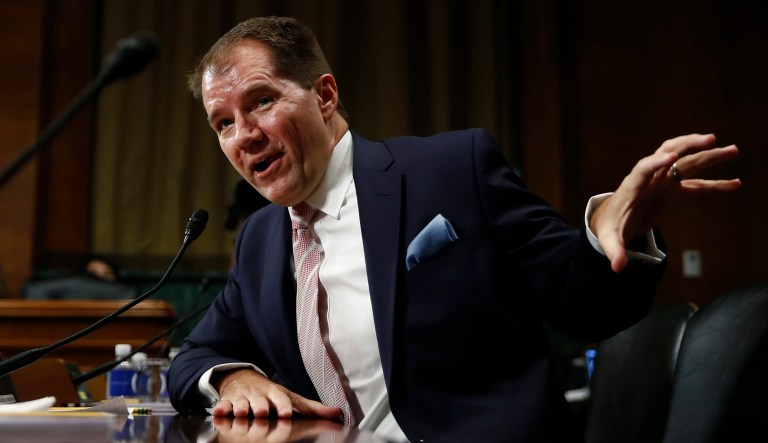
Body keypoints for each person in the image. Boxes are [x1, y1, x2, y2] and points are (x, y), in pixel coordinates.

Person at [168, 16, 741, 442]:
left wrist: (614, 231)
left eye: (261, 101)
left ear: (324, 95)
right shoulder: (261, 238)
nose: (244, 135)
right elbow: (196, 354)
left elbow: (585, 304)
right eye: (223, 123)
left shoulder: (450, 169)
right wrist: (233, 378)